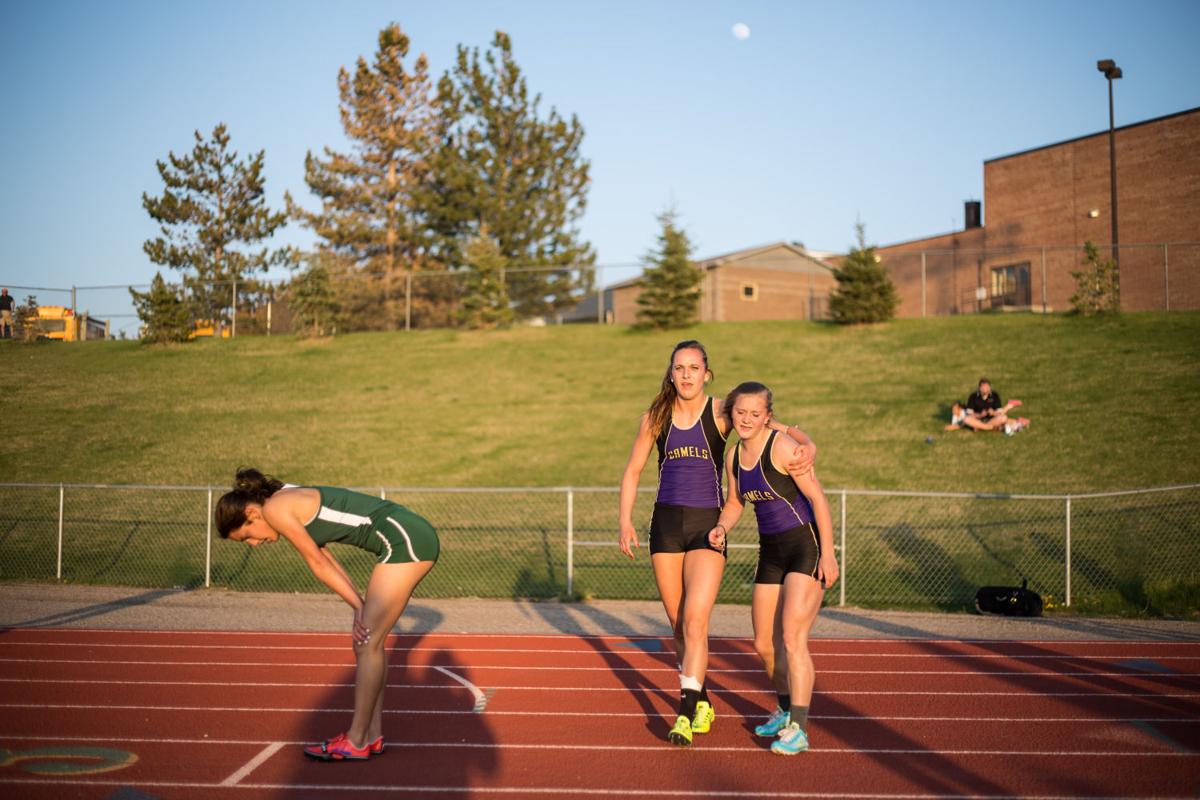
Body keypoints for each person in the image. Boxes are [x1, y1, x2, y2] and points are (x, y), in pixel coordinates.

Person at [618, 340, 817, 748]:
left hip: (707, 526)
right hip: (666, 527)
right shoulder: (655, 417)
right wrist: (624, 521)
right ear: (671, 372)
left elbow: (766, 424)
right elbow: (634, 469)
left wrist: (806, 442)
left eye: (694, 367)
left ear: (707, 373)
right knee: (678, 626)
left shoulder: (722, 413)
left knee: (695, 620)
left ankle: (685, 714)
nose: (687, 374)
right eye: (679, 367)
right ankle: (702, 699)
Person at [216, 468, 439, 761]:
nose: (254, 545)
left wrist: (360, 609)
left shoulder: (276, 509)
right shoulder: (282, 502)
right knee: (367, 642)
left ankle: (357, 740)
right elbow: (327, 558)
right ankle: (371, 736)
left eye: (247, 537)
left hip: (403, 538)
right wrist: (358, 605)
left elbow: (317, 563)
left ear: (251, 513)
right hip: (404, 534)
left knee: (367, 641)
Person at [707, 381, 838, 756]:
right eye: (740, 412)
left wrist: (828, 554)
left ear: (767, 416)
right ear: (732, 413)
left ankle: (799, 727)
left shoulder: (783, 448)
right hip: (771, 554)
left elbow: (818, 499)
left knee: (793, 638)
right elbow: (735, 503)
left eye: (754, 413)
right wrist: (721, 526)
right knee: (763, 643)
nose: (746, 419)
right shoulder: (734, 457)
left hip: (805, 548)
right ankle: (783, 708)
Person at [945, 377, 1029, 435]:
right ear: (979, 388)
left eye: (987, 387)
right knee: (967, 419)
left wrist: (993, 412)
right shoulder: (973, 396)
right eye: (983, 387)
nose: (985, 389)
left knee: (1003, 418)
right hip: (978, 420)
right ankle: (996, 428)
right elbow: (970, 414)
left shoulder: (995, 395)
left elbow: (999, 413)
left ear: (989, 387)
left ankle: (988, 427)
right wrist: (980, 415)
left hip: (991, 419)